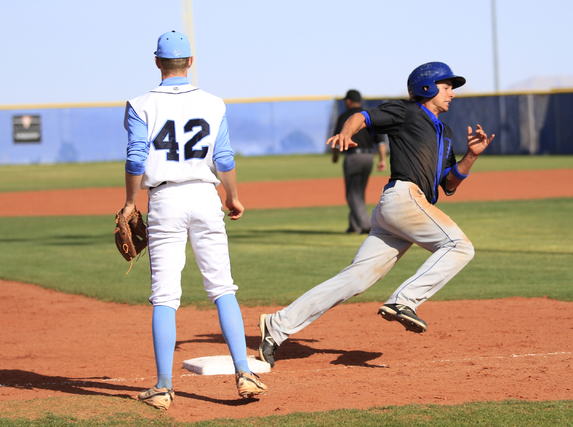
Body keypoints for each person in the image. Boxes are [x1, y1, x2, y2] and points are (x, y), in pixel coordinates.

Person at [258, 62, 494, 368]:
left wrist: (471, 157)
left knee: (354, 280)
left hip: (401, 210)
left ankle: (276, 325)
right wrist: (345, 132)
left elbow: (448, 183)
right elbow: (362, 116)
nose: (452, 93)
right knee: (460, 246)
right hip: (403, 198)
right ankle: (403, 301)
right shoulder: (407, 111)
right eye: (447, 86)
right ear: (427, 87)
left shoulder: (444, 131)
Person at [120, 30, 267, 410]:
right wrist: (232, 197)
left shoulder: (139, 104)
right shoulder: (213, 103)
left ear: (157, 62)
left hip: (165, 199)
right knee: (223, 287)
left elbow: (137, 157)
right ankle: (244, 373)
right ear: (190, 62)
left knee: (165, 296)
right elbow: (225, 158)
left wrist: (128, 203)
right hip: (205, 196)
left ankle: (163, 387)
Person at [332, 89, 387, 234]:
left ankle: (365, 225)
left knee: (352, 194)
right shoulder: (369, 116)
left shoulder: (345, 116)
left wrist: (335, 155)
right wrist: (382, 159)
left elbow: (337, 139)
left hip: (353, 157)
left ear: (348, 101)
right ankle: (354, 226)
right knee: (358, 191)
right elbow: (381, 142)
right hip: (369, 157)